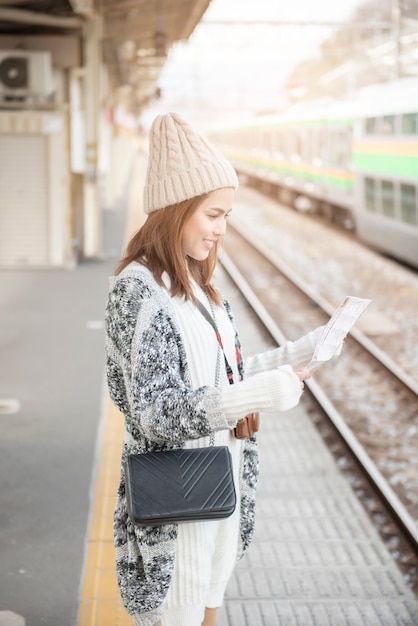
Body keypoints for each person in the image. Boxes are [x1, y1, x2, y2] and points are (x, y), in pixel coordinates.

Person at [105, 112, 322, 626]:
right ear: (174, 211)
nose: (223, 229)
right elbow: (157, 415)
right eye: (213, 215)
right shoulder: (139, 290)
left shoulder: (197, 287)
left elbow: (221, 379)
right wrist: (259, 394)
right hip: (176, 505)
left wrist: (295, 355)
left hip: (218, 486)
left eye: (226, 215)